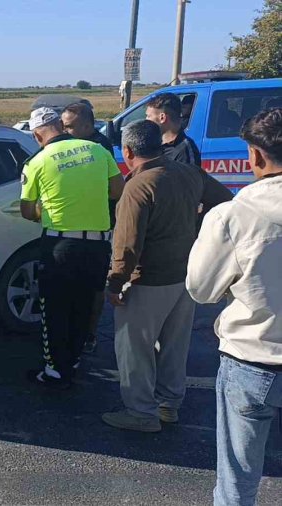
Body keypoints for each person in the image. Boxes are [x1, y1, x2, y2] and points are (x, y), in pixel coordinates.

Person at [101, 120, 232, 433]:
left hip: (147, 280)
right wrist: (198, 228)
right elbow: (226, 202)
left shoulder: (138, 186)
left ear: (128, 151)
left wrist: (115, 282)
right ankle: (168, 405)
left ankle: (140, 412)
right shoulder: (188, 173)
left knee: (134, 349)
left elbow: (127, 244)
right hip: (184, 275)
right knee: (175, 345)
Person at [186, 108, 282, 506]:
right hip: (253, 359)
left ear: (255, 157)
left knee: (237, 481)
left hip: (253, 357)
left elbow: (202, 289)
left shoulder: (232, 215)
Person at [20, 107, 125, 389]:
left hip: (60, 245)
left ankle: (55, 370)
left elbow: (27, 211)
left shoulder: (37, 161)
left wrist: (45, 209)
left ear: (36, 134)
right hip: (97, 246)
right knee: (82, 305)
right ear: (59, 125)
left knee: (54, 309)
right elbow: (118, 191)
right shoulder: (97, 150)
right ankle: (74, 359)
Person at [62, 102, 117, 354]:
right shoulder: (69, 144)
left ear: (87, 124)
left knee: (94, 285)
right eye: (64, 126)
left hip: (96, 228)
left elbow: (113, 189)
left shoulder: (100, 148)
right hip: (74, 226)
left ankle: (90, 333)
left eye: (70, 126)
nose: (66, 131)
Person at [145, 93, 202, 167]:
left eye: (149, 116)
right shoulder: (153, 143)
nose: (146, 120)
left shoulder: (184, 151)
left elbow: (189, 178)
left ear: (162, 118)